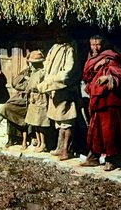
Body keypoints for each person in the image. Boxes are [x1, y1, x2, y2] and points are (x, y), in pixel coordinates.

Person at [80, 36, 121, 171]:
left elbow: (120, 73)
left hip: (110, 100)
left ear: (103, 45)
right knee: (95, 130)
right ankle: (93, 157)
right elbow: (86, 75)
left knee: (110, 130)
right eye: (92, 44)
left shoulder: (110, 57)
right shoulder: (92, 59)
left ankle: (111, 159)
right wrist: (97, 68)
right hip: (97, 98)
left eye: (98, 45)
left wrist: (108, 78)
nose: (95, 48)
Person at [36, 32, 79, 160]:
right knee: (58, 121)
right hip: (53, 90)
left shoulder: (69, 50)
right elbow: (47, 67)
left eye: (62, 35)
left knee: (66, 120)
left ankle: (67, 149)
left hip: (63, 89)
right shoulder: (54, 48)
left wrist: (49, 84)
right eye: (57, 34)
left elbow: (66, 73)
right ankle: (59, 147)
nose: (59, 36)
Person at [0, 60, 31, 148]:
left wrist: (29, 82)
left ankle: (24, 141)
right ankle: (11, 139)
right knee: (9, 109)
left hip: (31, 100)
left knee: (24, 115)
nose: (31, 65)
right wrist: (24, 77)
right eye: (29, 62)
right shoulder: (25, 72)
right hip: (20, 99)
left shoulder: (40, 72)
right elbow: (15, 84)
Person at [25, 50, 50, 152]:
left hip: (41, 98)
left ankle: (43, 143)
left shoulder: (42, 73)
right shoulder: (33, 73)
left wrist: (35, 88)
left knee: (41, 123)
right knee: (35, 123)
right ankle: (38, 142)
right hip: (33, 99)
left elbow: (43, 85)